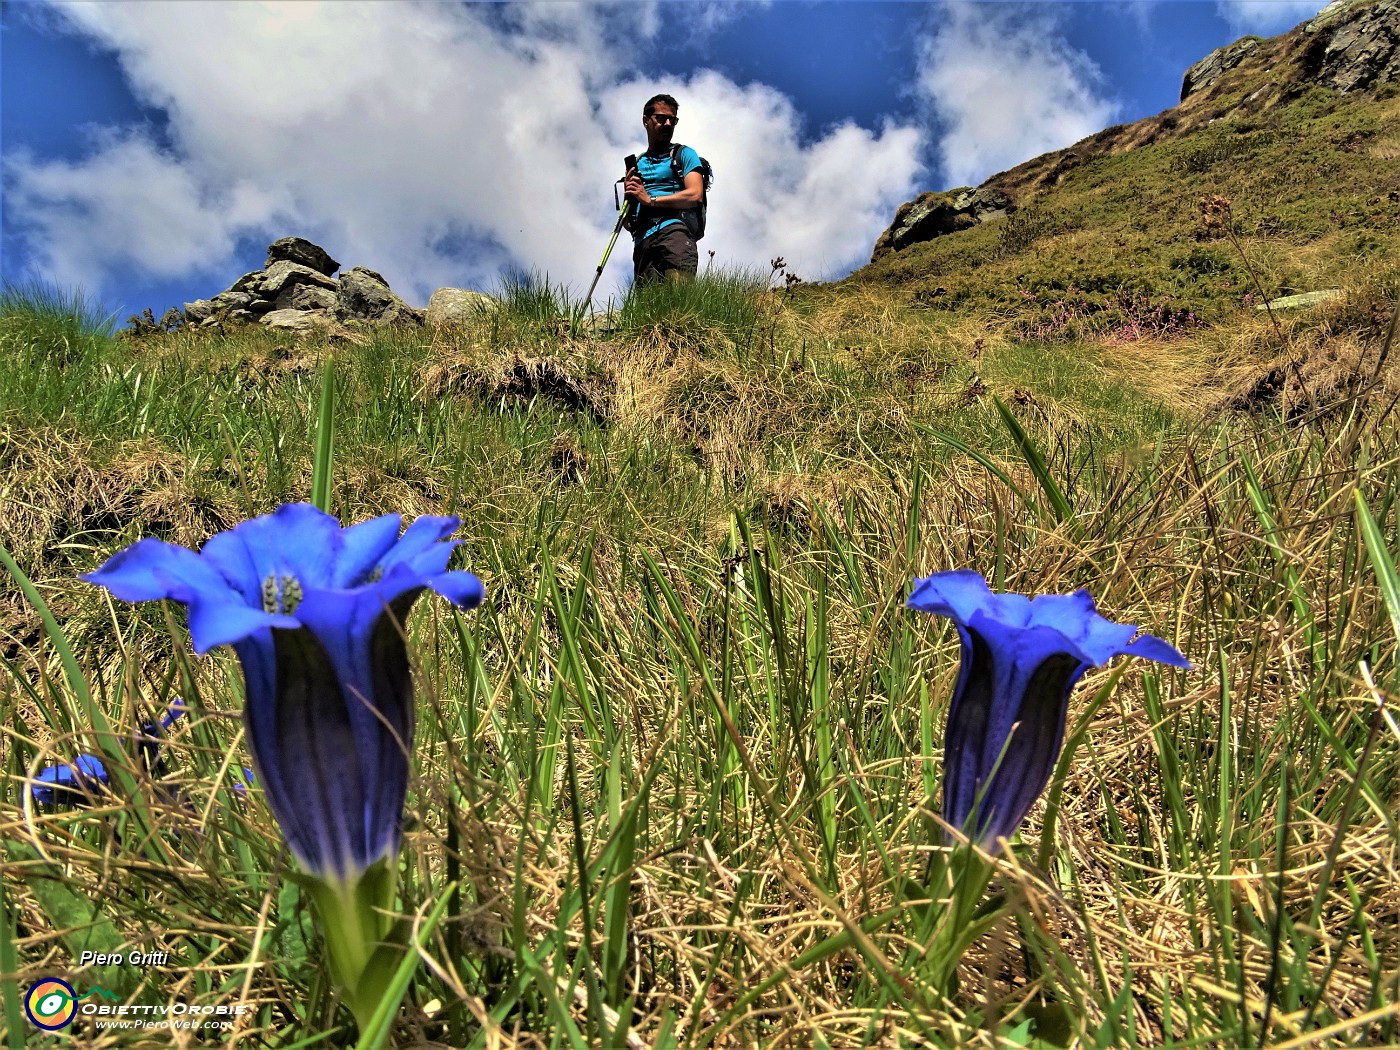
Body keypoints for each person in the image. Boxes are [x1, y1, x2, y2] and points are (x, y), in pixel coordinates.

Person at [623, 94, 705, 285]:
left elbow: (695, 194)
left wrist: (649, 200)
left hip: (674, 229)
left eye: (672, 119)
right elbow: (627, 223)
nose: (668, 123)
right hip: (642, 239)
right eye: (661, 118)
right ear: (646, 120)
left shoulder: (684, 154)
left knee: (680, 299)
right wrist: (630, 195)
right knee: (649, 309)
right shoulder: (637, 164)